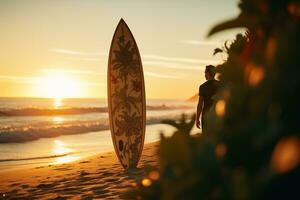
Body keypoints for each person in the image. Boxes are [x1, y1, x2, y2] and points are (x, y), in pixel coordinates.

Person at [196, 65, 220, 132]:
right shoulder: (220, 85)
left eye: (205, 72)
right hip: (218, 114)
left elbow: (200, 104)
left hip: (206, 115)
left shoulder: (203, 86)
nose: (205, 75)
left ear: (208, 73)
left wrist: (197, 119)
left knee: (206, 136)